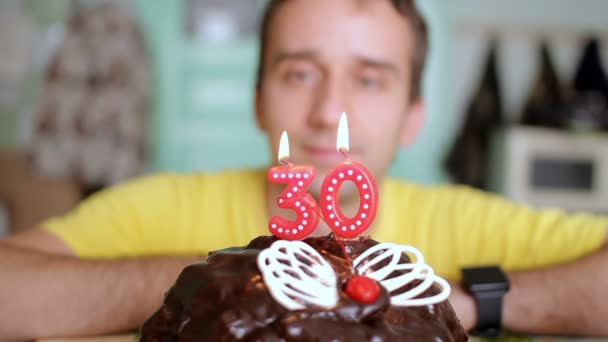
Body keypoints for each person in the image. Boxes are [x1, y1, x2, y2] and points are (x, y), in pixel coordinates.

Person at [1, 0, 607, 340]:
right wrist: (225, 283)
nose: (328, 113)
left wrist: (466, 301)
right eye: (299, 73)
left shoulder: (467, 220)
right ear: (258, 97)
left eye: (369, 79)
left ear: (413, 116)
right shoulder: (156, 207)